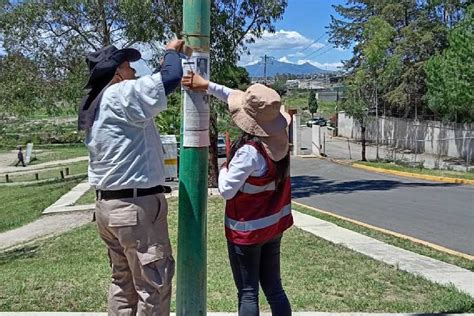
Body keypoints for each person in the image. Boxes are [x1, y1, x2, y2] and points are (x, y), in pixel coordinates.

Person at [78, 39, 184, 315]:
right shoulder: (119, 94)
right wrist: (172, 52)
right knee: (153, 285)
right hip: (134, 209)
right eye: (128, 66)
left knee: (122, 285)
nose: (134, 72)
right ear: (116, 73)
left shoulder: (96, 103)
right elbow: (171, 77)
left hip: (108, 208)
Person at [182, 72, 293, 316]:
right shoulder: (279, 140)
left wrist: (224, 167)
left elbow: (226, 190)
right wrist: (207, 85)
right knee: (274, 288)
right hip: (273, 227)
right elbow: (233, 95)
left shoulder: (249, 153)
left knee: (248, 292)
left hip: (247, 233)